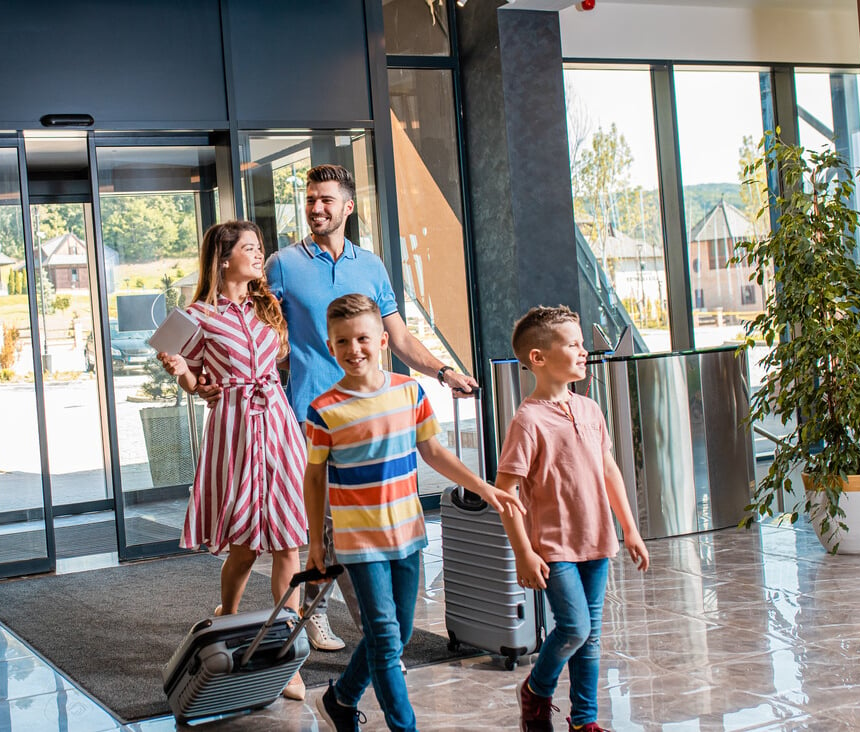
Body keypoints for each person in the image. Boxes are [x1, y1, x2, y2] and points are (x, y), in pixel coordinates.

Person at [267, 163, 480, 651]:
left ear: (348, 206)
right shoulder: (282, 264)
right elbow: (269, 335)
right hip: (311, 412)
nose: (316, 208)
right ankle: (358, 632)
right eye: (310, 199)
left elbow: (398, 337)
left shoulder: (372, 266)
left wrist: (443, 373)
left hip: (373, 410)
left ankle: (360, 627)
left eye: (325, 200)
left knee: (361, 520)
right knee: (324, 523)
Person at [304, 294, 525, 732]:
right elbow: (314, 479)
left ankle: (342, 697)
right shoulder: (323, 410)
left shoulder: (409, 392)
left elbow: (434, 453)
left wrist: (482, 486)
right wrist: (315, 542)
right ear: (330, 348)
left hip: (408, 533)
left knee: (399, 633)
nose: (354, 349)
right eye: (342, 341)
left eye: (363, 338)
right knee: (386, 639)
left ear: (383, 340)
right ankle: (404, 727)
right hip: (357, 542)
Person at [157, 220, 310, 701]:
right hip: (235, 427)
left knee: (289, 541)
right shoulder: (198, 316)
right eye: (250, 248)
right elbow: (196, 382)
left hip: (279, 425)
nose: (259, 255)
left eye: (260, 247)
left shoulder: (268, 307)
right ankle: (228, 616)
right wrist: (182, 370)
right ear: (223, 259)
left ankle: (285, 651)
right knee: (245, 543)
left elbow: (279, 359)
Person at [494, 306, 650, 732]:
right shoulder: (528, 420)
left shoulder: (590, 408)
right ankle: (537, 690)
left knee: (591, 637)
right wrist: (523, 553)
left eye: (582, 343)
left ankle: (584, 722)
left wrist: (630, 529)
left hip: (597, 540)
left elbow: (609, 469)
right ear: (539, 358)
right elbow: (505, 492)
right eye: (574, 344)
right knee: (575, 628)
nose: (583, 351)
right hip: (554, 546)